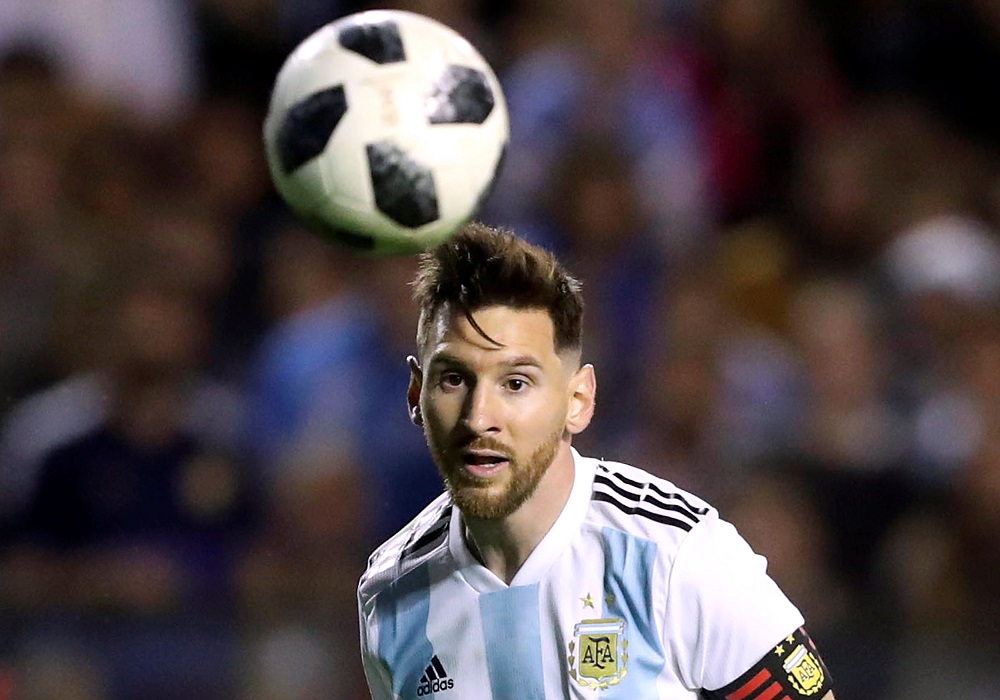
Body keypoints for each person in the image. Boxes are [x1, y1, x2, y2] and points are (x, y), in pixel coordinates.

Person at [357, 222, 836, 699]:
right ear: (416, 394)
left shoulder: (675, 557)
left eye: (516, 383)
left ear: (578, 400)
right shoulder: (390, 594)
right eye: (454, 379)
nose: (480, 417)